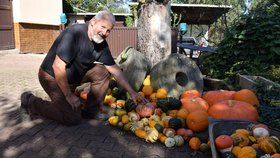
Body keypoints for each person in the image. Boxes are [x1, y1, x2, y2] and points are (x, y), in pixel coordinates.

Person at [20, 10, 147, 126]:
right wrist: (68, 95)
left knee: (103, 72)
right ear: (93, 22)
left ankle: (90, 111)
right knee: (72, 118)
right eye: (103, 27)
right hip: (51, 77)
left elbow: (115, 69)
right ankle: (31, 102)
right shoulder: (74, 34)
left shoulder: (101, 44)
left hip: (73, 77)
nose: (105, 33)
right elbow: (58, 66)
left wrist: (132, 92)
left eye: (109, 30)